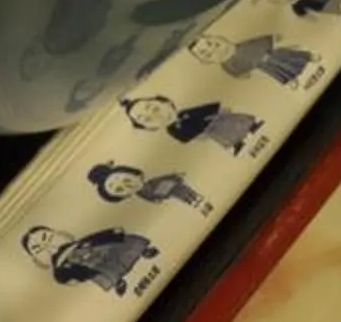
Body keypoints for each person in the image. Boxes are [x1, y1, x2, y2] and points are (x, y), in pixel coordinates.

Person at [20, 223, 159, 294]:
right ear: (37, 260)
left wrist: (114, 234)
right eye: (38, 250)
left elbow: (97, 239)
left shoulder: (80, 243)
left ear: (60, 233)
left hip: (101, 250)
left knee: (122, 244)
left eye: (48, 238)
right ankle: (117, 282)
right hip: (90, 266)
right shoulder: (61, 269)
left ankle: (142, 250)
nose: (48, 246)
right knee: (100, 272)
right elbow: (68, 277)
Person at [121, 92, 266, 156]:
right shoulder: (172, 130)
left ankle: (252, 125)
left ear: (165, 102)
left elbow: (203, 111)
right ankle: (236, 144)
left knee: (233, 121)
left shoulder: (185, 112)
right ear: (150, 128)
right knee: (222, 137)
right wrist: (199, 135)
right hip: (206, 132)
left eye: (152, 108)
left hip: (212, 120)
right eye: (147, 119)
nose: (155, 115)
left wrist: (217, 111)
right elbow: (185, 138)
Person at [188, 31, 323, 88]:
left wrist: (272, 38)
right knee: (275, 72)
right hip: (262, 66)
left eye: (215, 44)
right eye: (207, 54)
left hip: (271, 53)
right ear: (206, 62)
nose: (216, 50)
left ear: (221, 38)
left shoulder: (244, 46)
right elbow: (238, 73)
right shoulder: (227, 65)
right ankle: (289, 79)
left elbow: (258, 42)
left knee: (288, 56)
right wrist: (243, 75)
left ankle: (307, 56)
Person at [87, 161, 212, 213]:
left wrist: (172, 176)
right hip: (155, 191)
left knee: (178, 188)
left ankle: (197, 200)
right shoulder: (142, 193)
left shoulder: (150, 183)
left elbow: (142, 175)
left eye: (125, 179)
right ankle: (196, 202)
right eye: (119, 190)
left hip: (155, 186)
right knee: (176, 191)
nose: (126, 184)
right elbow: (149, 196)